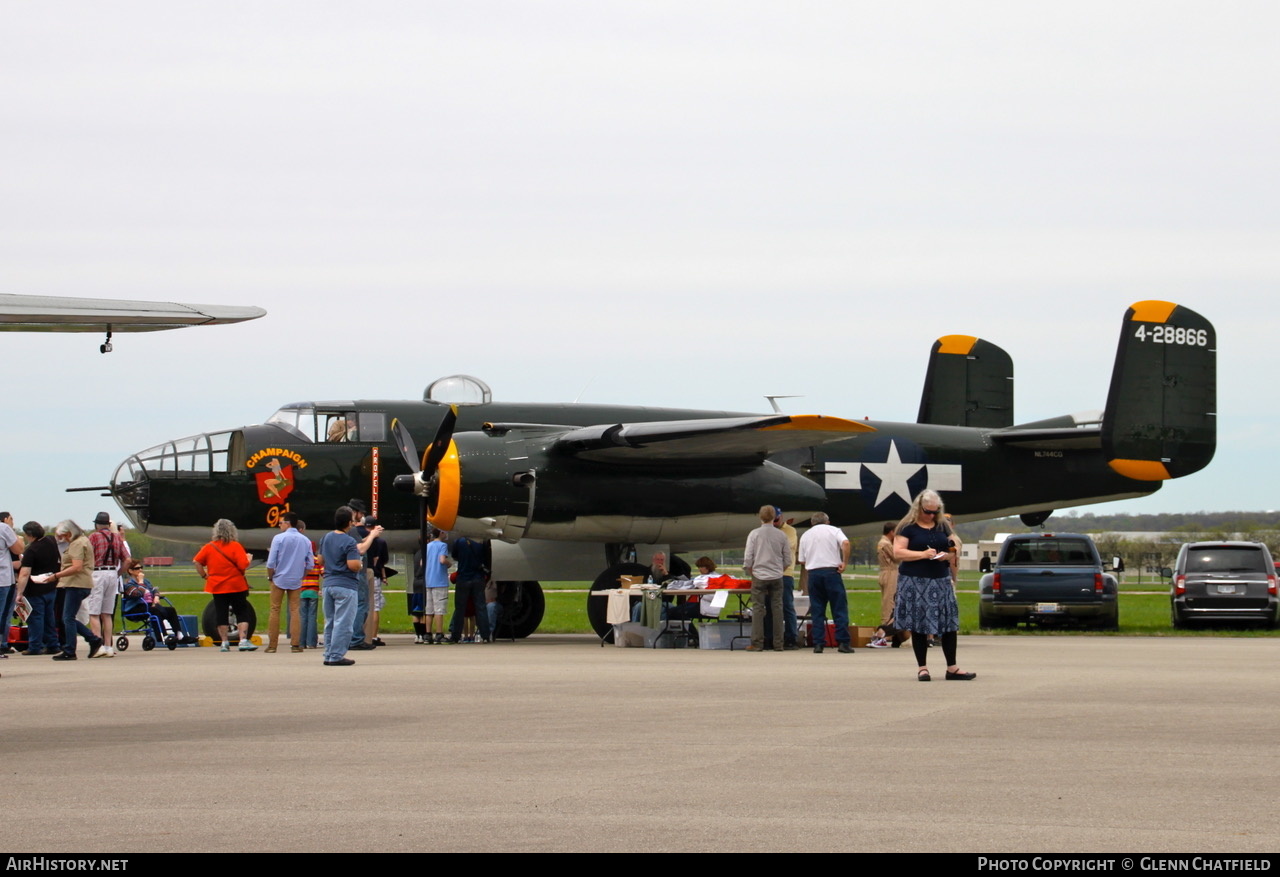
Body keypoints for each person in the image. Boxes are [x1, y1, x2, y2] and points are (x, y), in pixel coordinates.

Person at [893, 490, 975, 682]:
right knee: (918, 624)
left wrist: (950, 553)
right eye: (928, 511)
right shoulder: (907, 527)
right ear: (918, 508)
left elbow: (954, 543)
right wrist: (922, 554)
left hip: (940, 579)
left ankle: (952, 668)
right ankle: (923, 668)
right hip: (914, 581)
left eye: (935, 512)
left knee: (948, 623)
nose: (931, 515)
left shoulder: (942, 525)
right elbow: (898, 552)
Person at [193, 519, 256, 653]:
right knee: (241, 612)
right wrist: (248, 559)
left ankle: (224, 642)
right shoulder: (235, 546)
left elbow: (197, 562)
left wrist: (205, 576)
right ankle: (243, 640)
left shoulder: (209, 547)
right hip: (236, 585)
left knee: (221, 613)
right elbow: (243, 565)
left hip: (217, 586)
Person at [798, 511, 854, 654]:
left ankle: (818, 644)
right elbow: (846, 543)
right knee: (839, 608)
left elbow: (802, 560)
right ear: (827, 521)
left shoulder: (806, 535)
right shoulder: (834, 531)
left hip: (814, 573)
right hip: (831, 572)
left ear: (812, 523)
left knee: (817, 610)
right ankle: (843, 642)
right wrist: (844, 562)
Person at [49, 520, 103, 660]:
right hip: (79, 583)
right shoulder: (83, 540)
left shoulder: (77, 543)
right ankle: (92, 640)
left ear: (71, 532)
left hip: (76, 584)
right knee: (68, 618)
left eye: (66, 535)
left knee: (67, 618)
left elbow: (76, 566)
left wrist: (56, 576)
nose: (64, 539)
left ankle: (70, 650)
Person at [743, 505, 792, 652]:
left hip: (759, 575)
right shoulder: (781, 535)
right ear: (775, 518)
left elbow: (748, 557)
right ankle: (778, 643)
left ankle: (757, 643)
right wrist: (779, 569)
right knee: (777, 608)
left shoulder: (754, 534)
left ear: (760, 517)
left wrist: (751, 571)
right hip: (777, 575)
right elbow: (787, 559)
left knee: (758, 609)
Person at [320, 506, 364, 666]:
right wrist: (359, 563)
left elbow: (320, 560)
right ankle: (337, 655)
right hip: (346, 584)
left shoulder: (326, 538)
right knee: (343, 622)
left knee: (330, 621)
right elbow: (352, 564)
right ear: (349, 523)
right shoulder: (349, 541)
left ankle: (329, 653)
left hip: (328, 583)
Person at [265, 511, 314, 654]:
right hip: (296, 579)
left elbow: (271, 562)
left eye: (281, 522)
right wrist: (301, 575)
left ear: (287, 523)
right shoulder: (305, 540)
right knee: (295, 610)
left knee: (275, 609)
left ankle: (273, 645)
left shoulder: (278, 538)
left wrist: (270, 577)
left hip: (279, 577)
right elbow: (310, 564)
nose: (279, 525)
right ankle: (295, 644)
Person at [14, 521, 61, 656]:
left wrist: (19, 593)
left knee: (36, 618)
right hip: (51, 586)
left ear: (29, 534)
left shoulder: (31, 550)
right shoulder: (51, 541)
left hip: (34, 589)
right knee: (49, 617)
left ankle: (35, 646)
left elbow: (24, 573)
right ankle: (53, 644)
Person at [86, 512, 128, 657]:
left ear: (97, 524)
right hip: (112, 573)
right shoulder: (117, 538)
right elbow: (127, 560)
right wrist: (119, 573)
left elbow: (87, 555)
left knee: (94, 612)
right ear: (109, 524)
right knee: (107, 613)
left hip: (97, 572)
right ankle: (108, 646)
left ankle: (97, 646)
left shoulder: (93, 537)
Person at [122, 560, 194, 644]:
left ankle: (179, 636)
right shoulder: (128, 583)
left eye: (141, 567)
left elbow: (154, 589)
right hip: (135, 608)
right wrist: (140, 582)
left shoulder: (146, 581)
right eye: (137, 568)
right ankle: (163, 636)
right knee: (154, 611)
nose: (140, 570)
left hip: (148, 606)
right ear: (130, 571)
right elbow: (137, 594)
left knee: (171, 610)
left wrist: (156, 596)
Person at [763, 508, 799, 650]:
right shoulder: (765, 530)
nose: (774, 523)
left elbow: (785, 548)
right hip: (768, 573)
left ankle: (791, 638)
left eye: (776, 520)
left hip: (785, 574)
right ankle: (769, 638)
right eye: (771, 521)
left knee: (787, 606)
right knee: (769, 608)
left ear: (781, 517)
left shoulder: (789, 531)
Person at [448, 535, 491, 643]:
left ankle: (456, 635)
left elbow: (455, 556)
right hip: (478, 578)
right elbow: (486, 558)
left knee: (460, 609)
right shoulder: (482, 542)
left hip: (463, 577)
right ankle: (485, 635)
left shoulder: (459, 541)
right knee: (480, 607)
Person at [869, 522, 898, 648]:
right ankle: (885, 631)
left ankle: (886, 630)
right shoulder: (886, 543)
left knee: (888, 600)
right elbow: (896, 557)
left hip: (885, 572)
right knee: (889, 602)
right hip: (890, 572)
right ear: (891, 531)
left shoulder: (882, 542)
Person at [362, 516, 389, 647]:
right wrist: (384, 576)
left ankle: (362, 634)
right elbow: (383, 561)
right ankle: (373, 635)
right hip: (376, 574)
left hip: (361, 573)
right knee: (375, 607)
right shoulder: (380, 542)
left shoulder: (362, 540)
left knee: (362, 605)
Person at [295, 521, 322, 649]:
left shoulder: (301, 561)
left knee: (302, 617)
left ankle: (301, 642)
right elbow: (324, 573)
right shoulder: (316, 561)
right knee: (312, 617)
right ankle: (312, 642)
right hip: (313, 591)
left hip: (302, 591)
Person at [423, 528, 451, 643]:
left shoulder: (427, 546)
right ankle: (439, 633)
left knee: (429, 609)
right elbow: (442, 560)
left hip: (428, 580)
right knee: (439, 609)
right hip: (439, 580)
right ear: (441, 533)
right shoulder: (442, 545)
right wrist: (449, 564)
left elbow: (421, 562)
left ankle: (427, 634)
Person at [0, 511, 20, 655]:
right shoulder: (4, 528)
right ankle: (2, 643)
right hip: (3, 578)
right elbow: (19, 548)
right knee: (3, 614)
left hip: (6, 577)